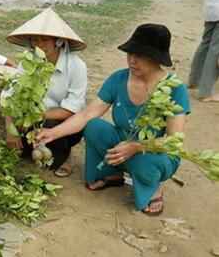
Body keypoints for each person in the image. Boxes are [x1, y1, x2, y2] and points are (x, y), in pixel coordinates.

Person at [36, 24, 190, 215]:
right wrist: (53, 133)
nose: (132, 61)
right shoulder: (119, 78)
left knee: (146, 163)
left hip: (152, 151)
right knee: (93, 126)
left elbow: (173, 142)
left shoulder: (174, 88)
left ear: (156, 59)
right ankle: (113, 173)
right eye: (130, 54)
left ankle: (155, 186)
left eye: (140, 56)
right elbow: (87, 114)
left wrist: (136, 147)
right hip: (122, 141)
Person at [2, 8, 88, 177]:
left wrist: (37, 116)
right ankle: (36, 145)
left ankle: (66, 153)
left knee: (52, 160)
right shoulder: (28, 63)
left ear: (58, 41)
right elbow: (9, 97)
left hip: (61, 124)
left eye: (44, 40)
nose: (39, 45)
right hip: (31, 121)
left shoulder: (76, 66)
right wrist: (10, 129)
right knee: (20, 149)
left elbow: (72, 109)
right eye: (35, 40)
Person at [188, 0, 219, 102]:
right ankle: (206, 91)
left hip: (212, 5)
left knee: (206, 43)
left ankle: (195, 80)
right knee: (215, 49)